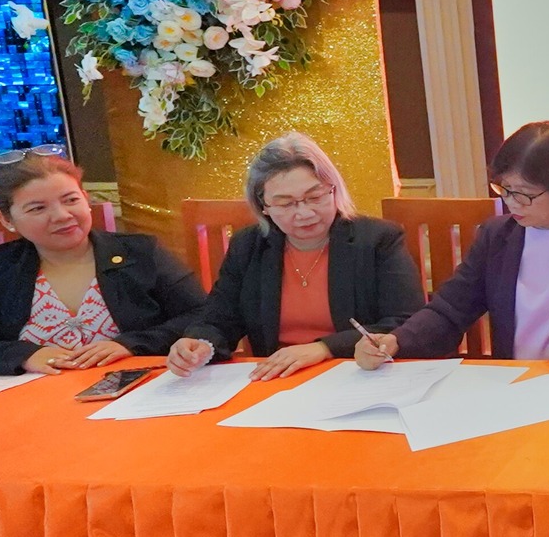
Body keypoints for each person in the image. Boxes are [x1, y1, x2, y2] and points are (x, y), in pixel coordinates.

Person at [356, 121, 549, 366]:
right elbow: (450, 309)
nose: (511, 203)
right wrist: (396, 340)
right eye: (505, 189)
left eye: (524, 194)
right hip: (511, 383)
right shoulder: (497, 235)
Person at [0, 146, 205, 376]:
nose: (61, 216)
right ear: (6, 220)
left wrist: (131, 345)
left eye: (71, 200)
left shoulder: (141, 253)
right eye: (37, 208)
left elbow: (205, 318)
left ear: (86, 199)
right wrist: (25, 355)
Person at [168, 132, 423, 380]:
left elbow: (404, 322)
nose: (304, 213)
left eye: (315, 197)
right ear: (264, 207)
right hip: (277, 378)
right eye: (286, 203)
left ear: (334, 190)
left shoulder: (378, 240)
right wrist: (200, 343)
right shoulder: (248, 246)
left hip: (355, 374)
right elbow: (219, 319)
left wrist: (324, 348)